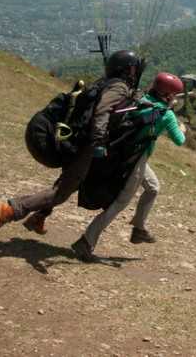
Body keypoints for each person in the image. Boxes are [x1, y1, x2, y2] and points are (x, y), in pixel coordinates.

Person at [0, 50, 143, 240]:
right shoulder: (119, 87)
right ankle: (9, 209)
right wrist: (98, 140)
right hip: (85, 144)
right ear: (126, 70)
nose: (136, 73)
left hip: (78, 139)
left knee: (75, 181)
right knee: (61, 192)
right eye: (133, 69)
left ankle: (39, 217)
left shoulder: (108, 82)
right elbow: (102, 111)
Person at [71, 72, 186, 262]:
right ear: (169, 95)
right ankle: (86, 241)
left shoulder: (142, 99)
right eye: (175, 95)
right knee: (120, 202)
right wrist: (182, 128)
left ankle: (139, 228)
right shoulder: (167, 115)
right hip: (136, 159)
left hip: (126, 153)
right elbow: (179, 141)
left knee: (153, 187)